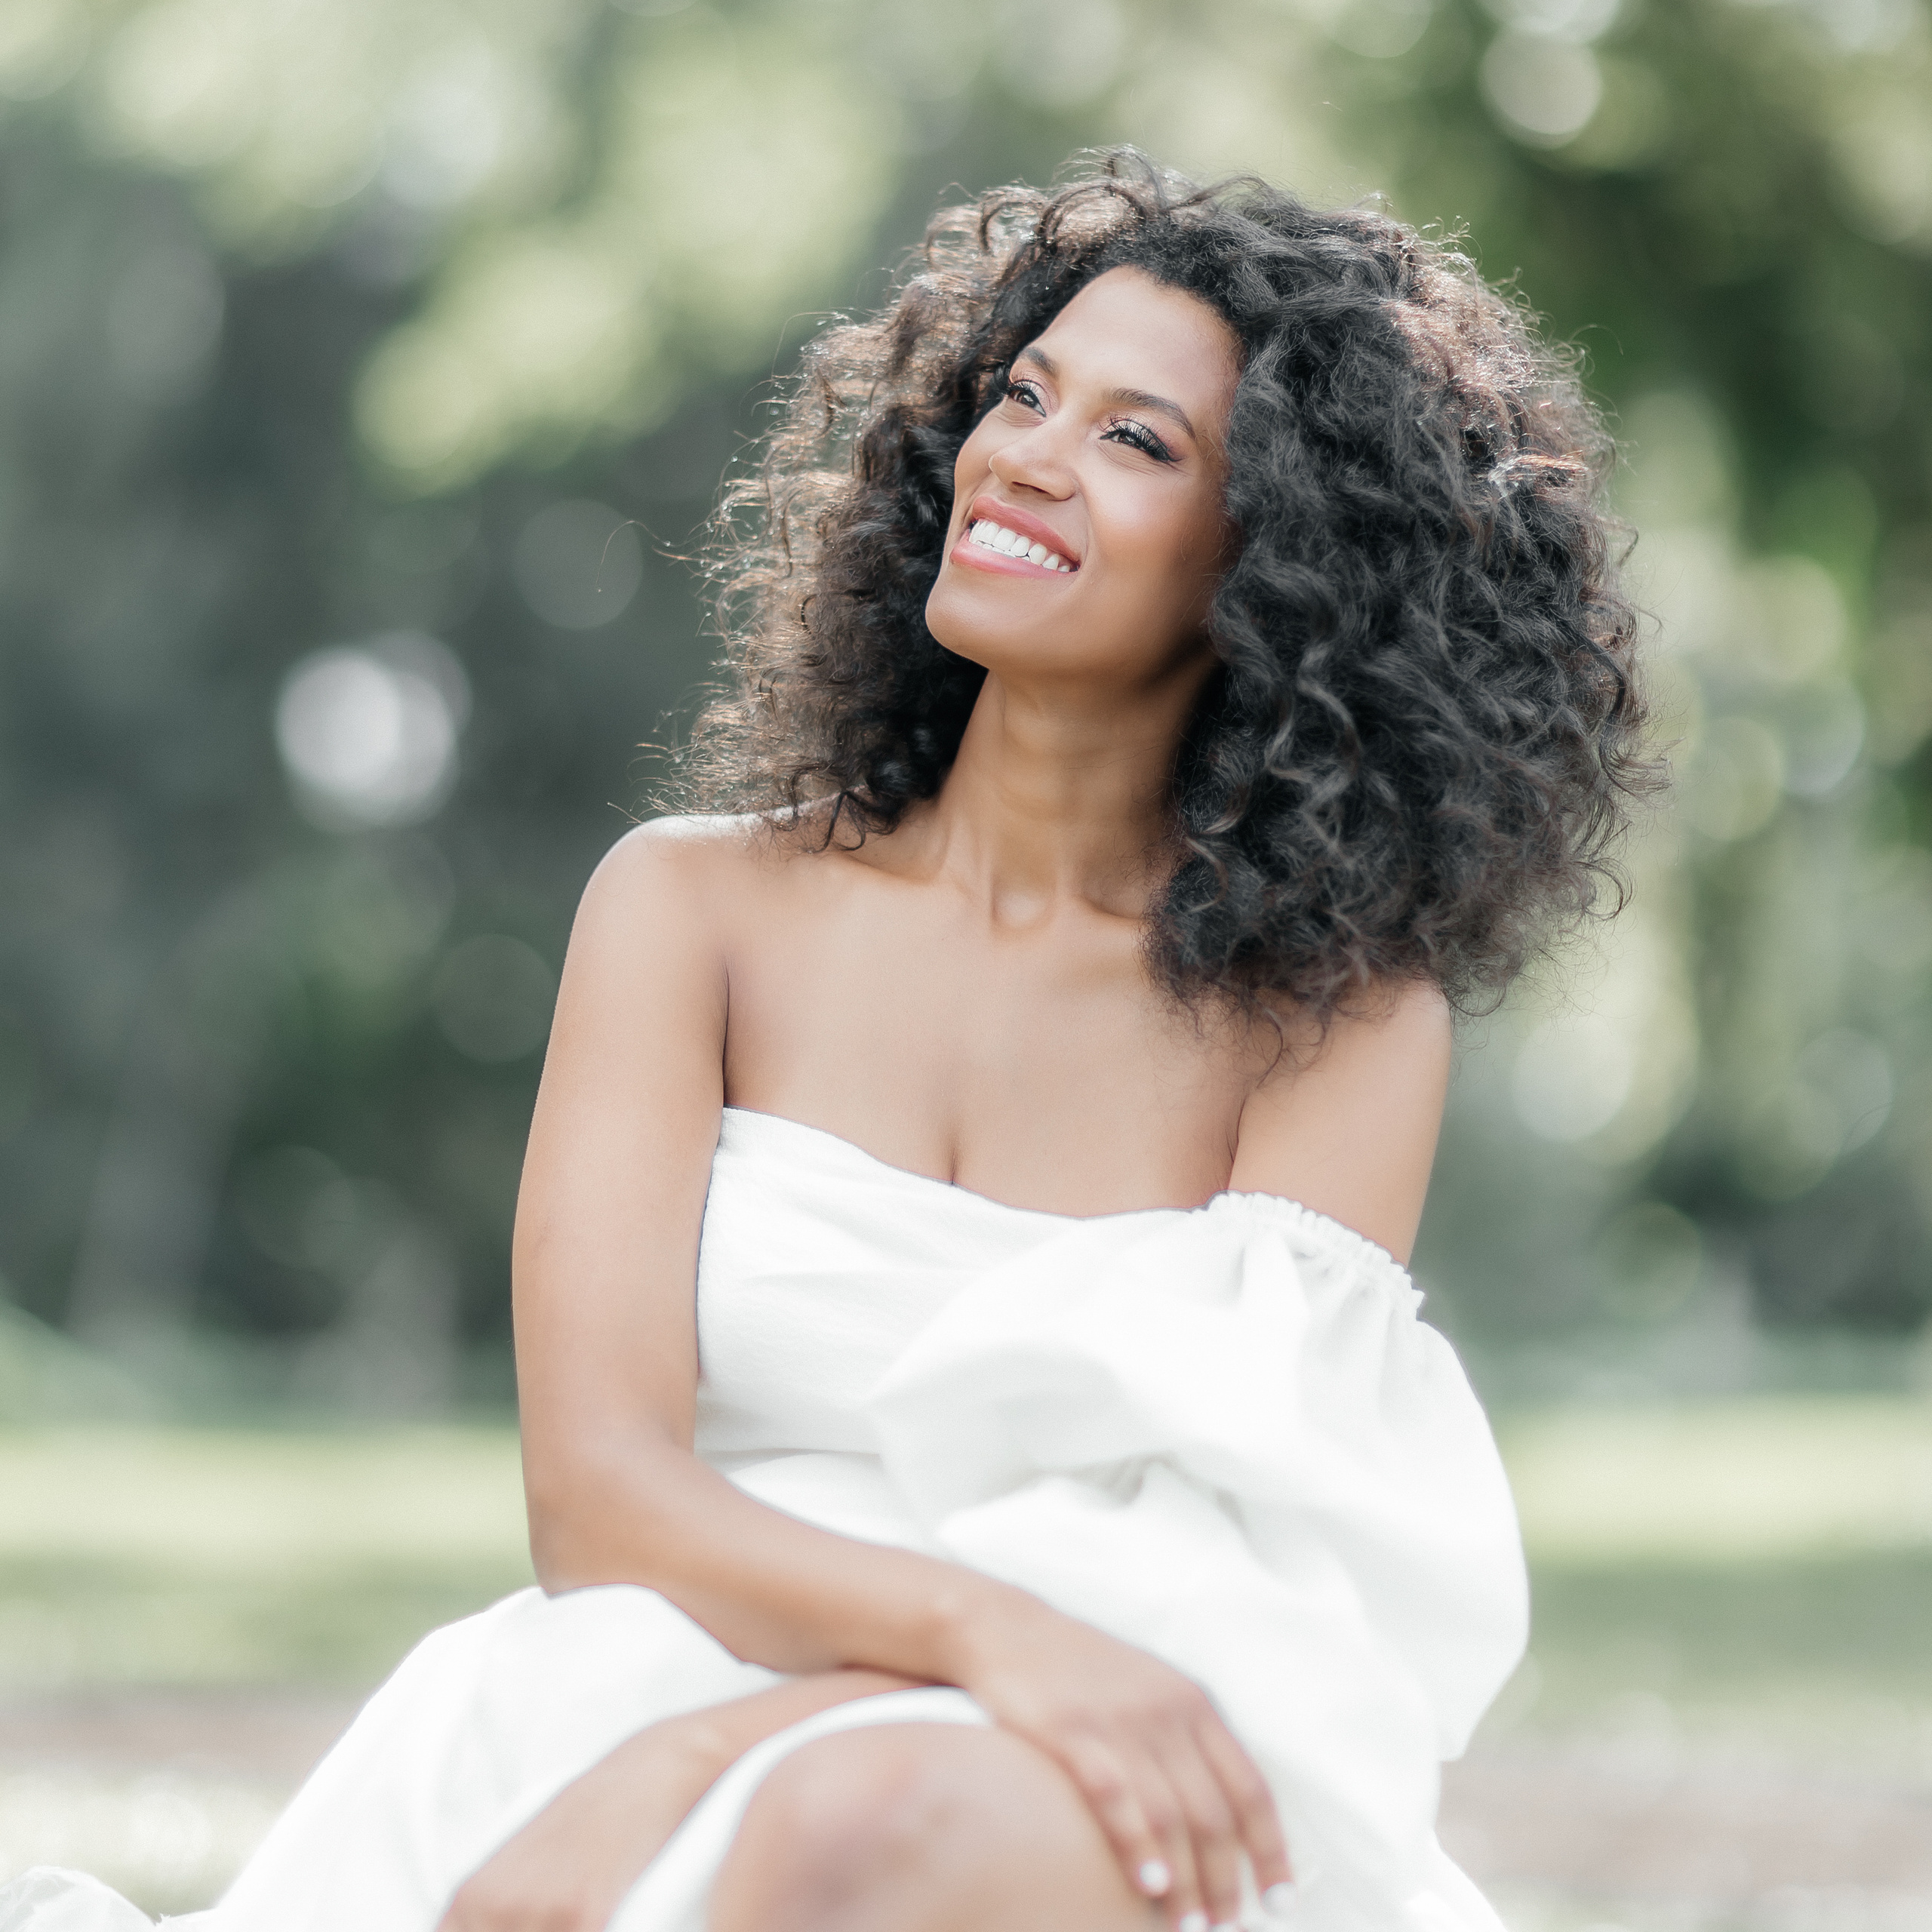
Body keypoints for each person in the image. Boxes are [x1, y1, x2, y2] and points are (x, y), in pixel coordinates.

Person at [2, 153, 1647, 1932]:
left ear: (1285, 564)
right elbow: (600, 1491)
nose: (1021, 454)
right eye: (1023, 394)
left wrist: (740, 1757)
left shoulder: (1331, 1015)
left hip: (1093, 1721)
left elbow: (1207, 1570)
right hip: (644, 1676)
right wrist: (712, 1725)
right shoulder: (689, 910)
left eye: (1134, 440)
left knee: (859, 1832)